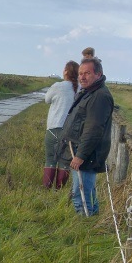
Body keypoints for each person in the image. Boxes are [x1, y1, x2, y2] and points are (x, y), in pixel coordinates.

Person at [58, 57, 114, 216]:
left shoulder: (99, 96)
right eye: (80, 73)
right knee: (87, 190)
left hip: (87, 154)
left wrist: (81, 155)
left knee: (81, 193)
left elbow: (93, 129)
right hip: (81, 150)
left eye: (87, 73)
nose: (82, 77)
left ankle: (85, 224)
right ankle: (92, 219)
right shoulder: (90, 92)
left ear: (98, 74)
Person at [42, 61, 78, 189]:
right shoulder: (79, 89)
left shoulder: (58, 86)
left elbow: (47, 99)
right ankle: (59, 190)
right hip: (70, 133)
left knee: (50, 159)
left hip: (53, 128)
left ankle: (46, 189)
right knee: (65, 162)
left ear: (66, 72)